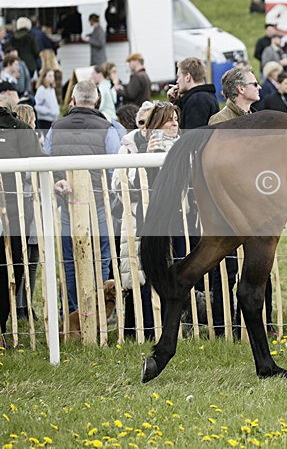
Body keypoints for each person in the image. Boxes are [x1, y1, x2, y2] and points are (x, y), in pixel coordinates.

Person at [44, 80, 121, 313]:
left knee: (70, 259)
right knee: (101, 256)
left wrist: (58, 180)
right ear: (97, 100)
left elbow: (48, 160)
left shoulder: (55, 127)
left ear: (73, 100)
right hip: (98, 202)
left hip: (67, 202)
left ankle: (74, 310)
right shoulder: (107, 128)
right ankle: (96, 308)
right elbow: (114, 167)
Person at [113, 101, 180, 339]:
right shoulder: (129, 146)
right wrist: (144, 158)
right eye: (167, 120)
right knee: (137, 274)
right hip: (137, 218)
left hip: (170, 219)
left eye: (175, 119)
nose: (173, 124)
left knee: (168, 273)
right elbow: (118, 184)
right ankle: (138, 331)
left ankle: (166, 329)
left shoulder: (179, 145)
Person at [0, 96, 43, 349]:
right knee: (13, 268)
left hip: (14, 211)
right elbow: (40, 160)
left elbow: (39, 161)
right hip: (15, 214)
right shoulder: (22, 130)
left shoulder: (20, 130)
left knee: (13, 267)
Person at [167, 57, 219, 129]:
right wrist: (175, 102)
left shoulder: (198, 100)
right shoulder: (205, 96)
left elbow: (192, 136)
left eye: (178, 77)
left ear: (187, 77)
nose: (177, 81)